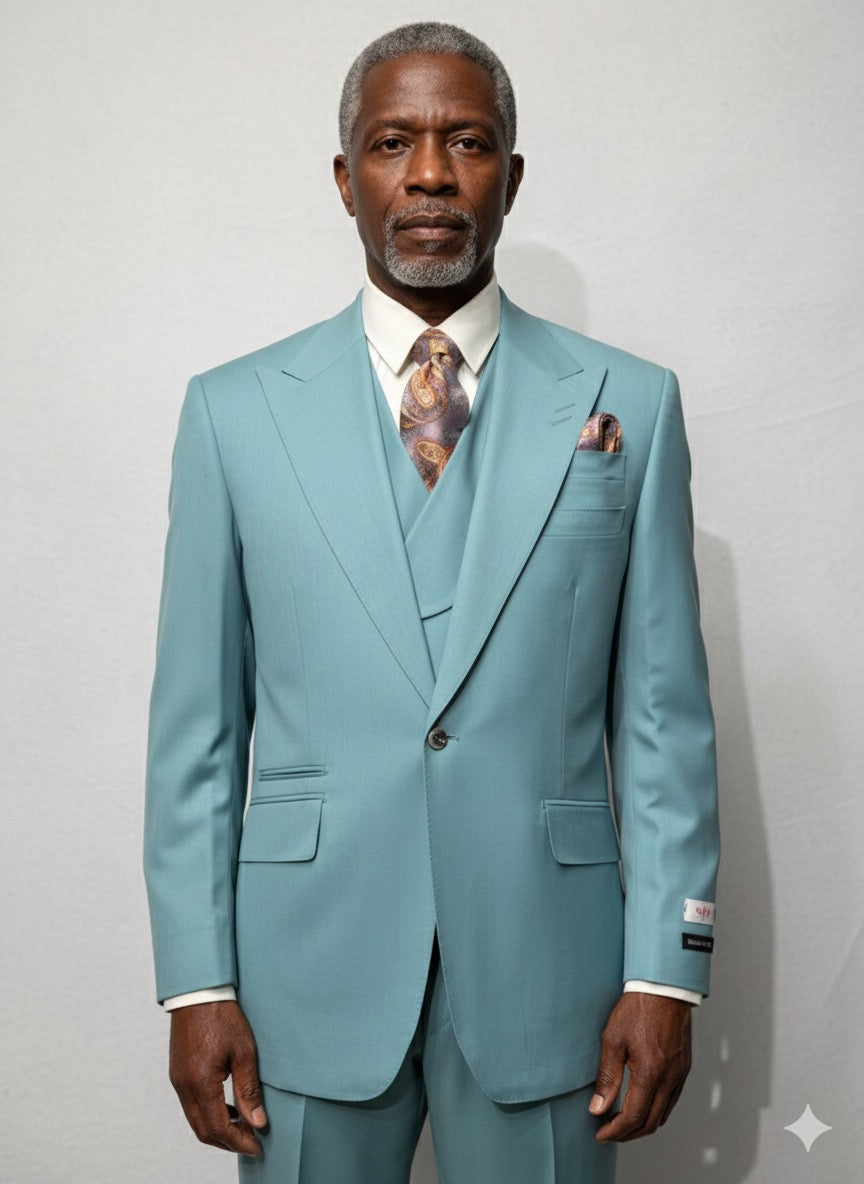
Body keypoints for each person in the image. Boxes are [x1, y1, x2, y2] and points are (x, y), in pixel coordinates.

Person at [144, 21, 720, 1184]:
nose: (429, 174)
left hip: (551, 969)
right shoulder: (234, 412)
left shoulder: (631, 408)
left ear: (511, 174)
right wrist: (197, 978)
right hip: (306, 968)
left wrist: (667, 967)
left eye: (467, 141)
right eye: (392, 142)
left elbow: (664, 721)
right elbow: (198, 730)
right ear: (345, 177)